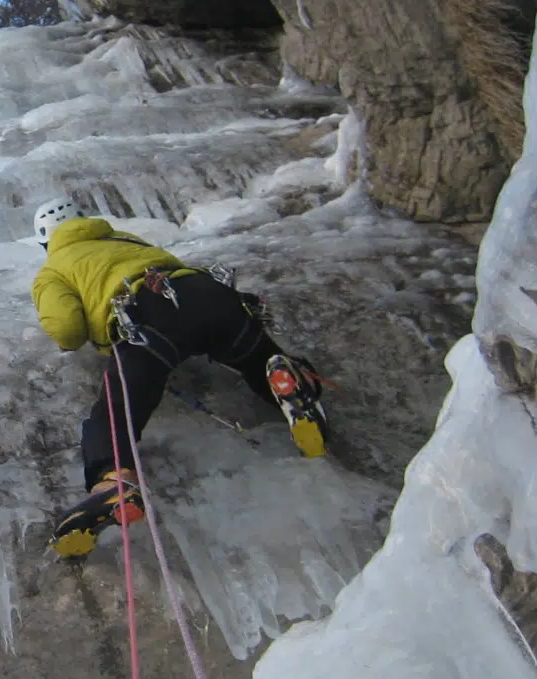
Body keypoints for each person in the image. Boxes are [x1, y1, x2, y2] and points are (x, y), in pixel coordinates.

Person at [30, 196, 328, 558]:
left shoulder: (53, 270)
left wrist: (74, 339)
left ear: (46, 243)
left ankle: (114, 483)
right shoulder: (124, 238)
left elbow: (67, 327)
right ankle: (293, 382)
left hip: (149, 318)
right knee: (254, 357)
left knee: (113, 415)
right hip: (207, 294)